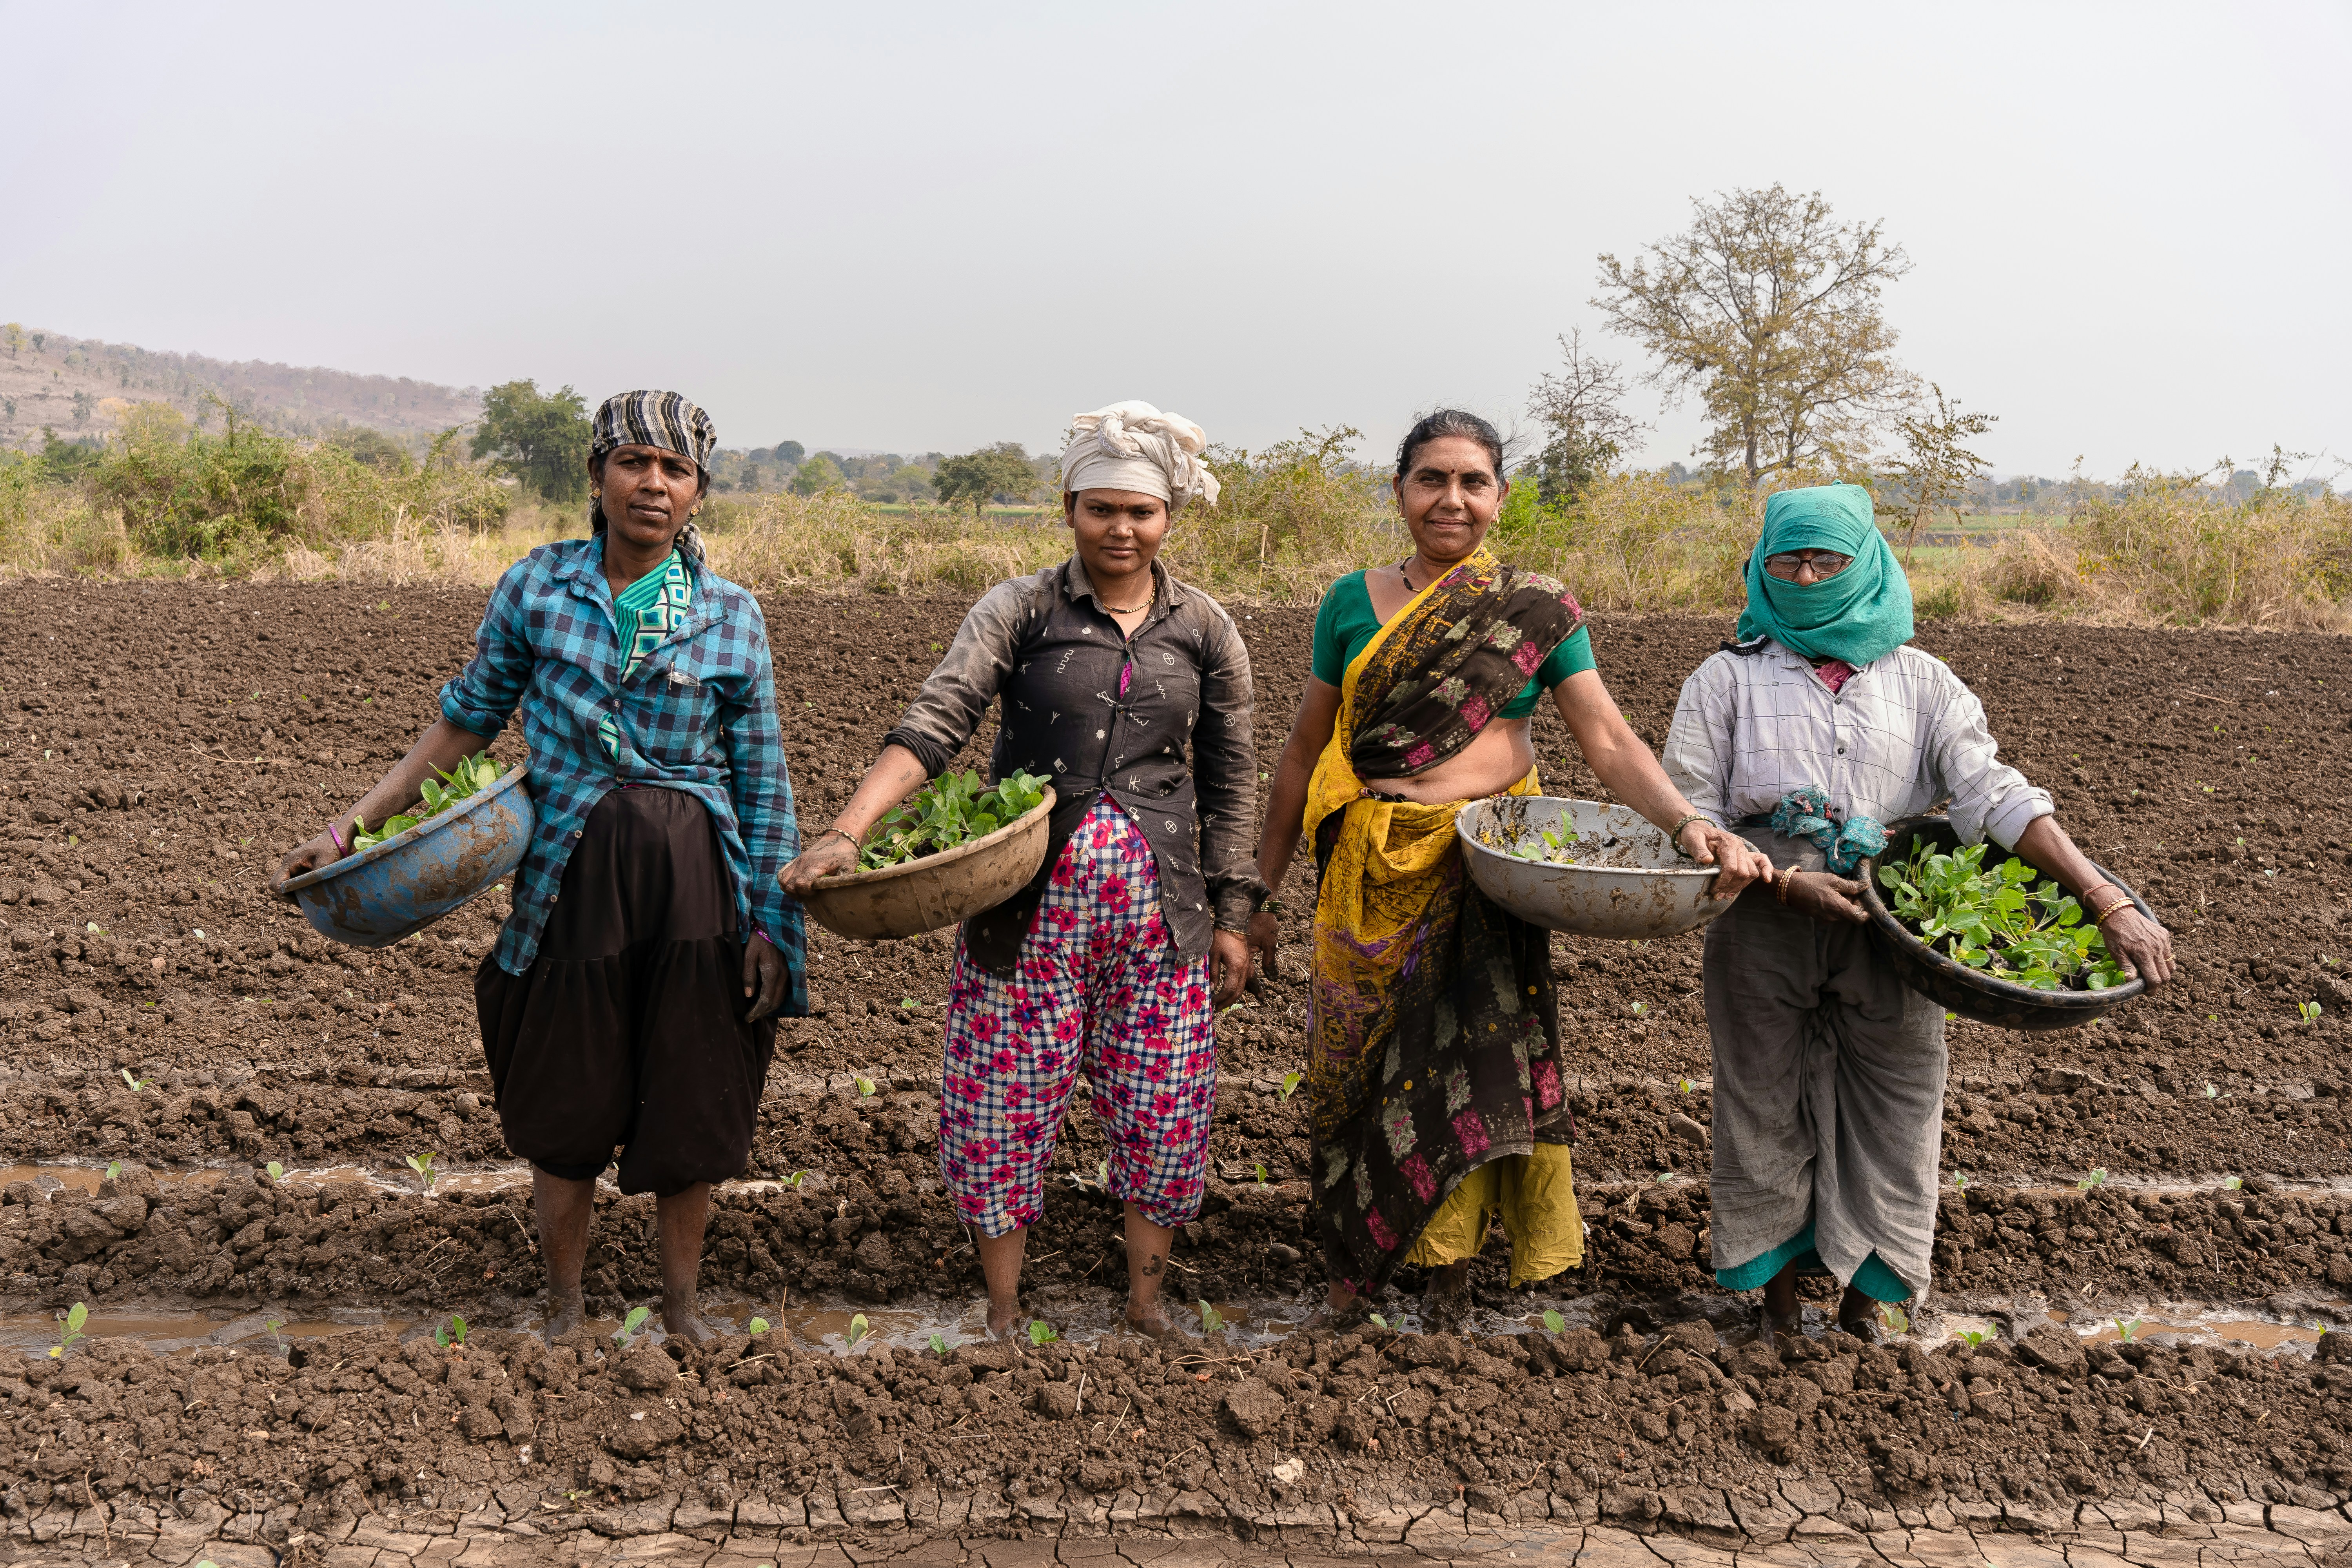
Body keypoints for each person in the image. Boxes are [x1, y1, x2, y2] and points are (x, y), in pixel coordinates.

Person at [274, 390, 802, 1346]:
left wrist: (773, 925)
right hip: (571, 880)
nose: (653, 483)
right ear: (596, 477)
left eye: (675, 469)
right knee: (566, 1100)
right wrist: (352, 828)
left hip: (699, 889)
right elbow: (467, 719)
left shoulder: (731, 615)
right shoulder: (539, 588)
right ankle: (563, 1308)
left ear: (698, 492)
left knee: (692, 1095)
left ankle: (680, 1310)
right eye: (634, 462)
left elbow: (763, 778)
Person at [1250, 409, 1773, 1323]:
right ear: (1401, 490)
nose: (1451, 499)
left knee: (1468, 1075)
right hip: (1364, 872)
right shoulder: (1347, 601)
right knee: (1352, 1073)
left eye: (1472, 482)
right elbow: (1299, 753)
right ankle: (1352, 1274)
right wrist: (1258, 891)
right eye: (1431, 479)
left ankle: (1449, 1279)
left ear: (1498, 495)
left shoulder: (1536, 608)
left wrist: (1690, 823)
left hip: (1486, 873)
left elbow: (1606, 737)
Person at [780, 400, 1263, 1338]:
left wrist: (1234, 913)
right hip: (1024, 916)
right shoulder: (1021, 608)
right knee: (1002, 1106)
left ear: (1170, 518)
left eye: (1142, 512)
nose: (1121, 529)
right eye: (1100, 509)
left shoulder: (1205, 628)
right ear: (1069, 507)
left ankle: (1145, 1303)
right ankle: (1003, 1308)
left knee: (1165, 1112)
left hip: (1165, 922)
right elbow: (937, 719)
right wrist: (848, 830)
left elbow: (1232, 779)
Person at [1661, 481, 2175, 1343]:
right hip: (1759, 919)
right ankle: (1779, 1311)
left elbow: (1994, 795)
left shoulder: (1924, 682)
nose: (1809, 573)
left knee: (1901, 1108)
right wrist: (1782, 880)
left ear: (1867, 563)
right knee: (1760, 1107)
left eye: (1830, 558)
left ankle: (1867, 1309)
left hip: (1895, 929)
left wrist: (2104, 894)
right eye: (1790, 558)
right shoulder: (1727, 677)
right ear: (1760, 566)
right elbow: (1687, 812)